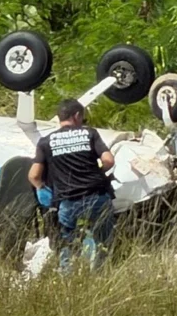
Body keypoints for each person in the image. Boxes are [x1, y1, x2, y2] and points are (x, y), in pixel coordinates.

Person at [28, 99, 116, 273]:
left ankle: (67, 281)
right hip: (97, 196)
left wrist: (42, 190)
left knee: (67, 245)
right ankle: (100, 277)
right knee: (104, 243)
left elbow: (33, 175)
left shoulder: (46, 142)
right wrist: (97, 171)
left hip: (67, 202)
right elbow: (108, 160)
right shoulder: (90, 134)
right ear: (77, 116)